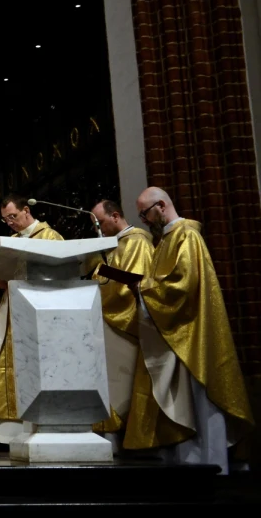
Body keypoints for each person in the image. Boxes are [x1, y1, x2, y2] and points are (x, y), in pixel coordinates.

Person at [126, 187, 253, 472]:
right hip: (175, 331)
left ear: (160, 206)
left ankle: (213, 467)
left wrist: (143, 287)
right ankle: (189, 468)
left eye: (145, 214)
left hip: (194, 332)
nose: (144, 220)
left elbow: (184, 284)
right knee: (183, 405)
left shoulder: (187, 235)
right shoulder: (164, 241)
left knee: (202, 402)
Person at [0, 194, 63, 442]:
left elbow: (60, 272)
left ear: (26, 211)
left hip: (39, 317)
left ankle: (41, 426)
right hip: (14, 315)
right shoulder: (9, 243)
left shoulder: (49, 237)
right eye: (5, 220)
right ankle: (11, 433)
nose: (10, 223)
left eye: (12, 216)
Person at [89, 198, 154, 440]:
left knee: (122, 386)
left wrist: (104, 299)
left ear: (115, 216)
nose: (99, 229)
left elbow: (134, 284)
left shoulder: (137, 241)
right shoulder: (112, 247)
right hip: (106, 323)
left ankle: (127, 437)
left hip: (123, 325)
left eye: (101, 223)